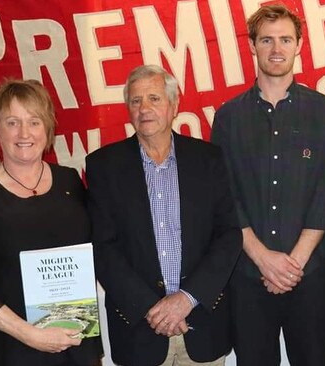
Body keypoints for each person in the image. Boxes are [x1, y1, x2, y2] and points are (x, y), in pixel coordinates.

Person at [210, 4, 325, 366]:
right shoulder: (228, 117)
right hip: (248, 276)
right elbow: (225, 198)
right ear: (252, 46)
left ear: (299, 45)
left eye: (285, 39)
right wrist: (263, 258)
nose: (276, 49)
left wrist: (292, 264)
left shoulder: (324, 112)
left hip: (310, 274)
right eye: (266, 40)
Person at [85, 65, 241, 366]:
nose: (144, 108)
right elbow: (103, 248)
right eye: (135, 100)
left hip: (201, 324)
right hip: (140, 330)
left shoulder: (208, 159)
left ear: (174, 105)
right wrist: (154, 309)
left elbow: (228, 235)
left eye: (154, 98)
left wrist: (186, 299)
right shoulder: (104, 166)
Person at [0, 79, 103, 365]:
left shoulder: (70, 180)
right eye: (12, 122)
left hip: (77, 344)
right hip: (15, 349)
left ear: (47, 128)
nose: (24, 133)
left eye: (34, 121)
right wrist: (31, 335)